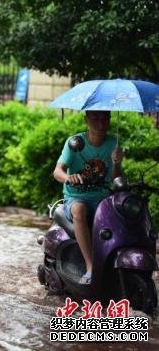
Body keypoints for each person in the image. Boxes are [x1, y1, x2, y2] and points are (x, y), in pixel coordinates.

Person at [53, 110, 123, 285]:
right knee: (79, 209)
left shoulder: (113, 143)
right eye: (95, 118)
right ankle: (91, 266)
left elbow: (116, 179)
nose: (101, 123)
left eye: (105, 118)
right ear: (86, 120)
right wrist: (69, 177)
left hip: (103, 199)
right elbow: (57, 171)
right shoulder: (75, 143)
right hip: (76, 198)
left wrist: (117, 163)